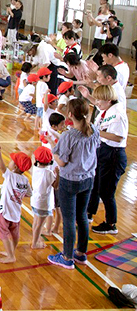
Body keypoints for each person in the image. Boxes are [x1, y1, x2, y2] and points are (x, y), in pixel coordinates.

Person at [48, 98, 99, 270]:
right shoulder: (94, 131)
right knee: (82, 216)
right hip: (88, 179)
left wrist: (53, 152)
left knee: (69, 219)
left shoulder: (69, 136)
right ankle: (81, 253)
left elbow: (62, 162)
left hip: (70, 180)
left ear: (70, 115)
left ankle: (67, 256)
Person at [87, 84, 127, 235]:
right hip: (103, 151)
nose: (96, 102)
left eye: (99, 100)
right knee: (96, 184)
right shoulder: (105, 111)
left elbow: (118, 137)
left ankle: (111, 223)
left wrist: (97, 132)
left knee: (107, 191)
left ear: (108, 99)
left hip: (113, 154)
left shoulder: (117, 114)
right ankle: (89, 212)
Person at [0, 147, 32, 263]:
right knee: (15, 234)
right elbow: (29, 193)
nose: (9, 162)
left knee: (3, 232)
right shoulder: (25, 180)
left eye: (11, 161)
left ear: (15, 167)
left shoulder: (10, 176)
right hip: (16, 213)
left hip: (5, 211)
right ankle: (11, 251)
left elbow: (1, 167)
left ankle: (10, 256)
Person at [31, 146, 58, 249]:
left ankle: (36, 239)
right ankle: (35, 243)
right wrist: (58, 175)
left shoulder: (36, 169)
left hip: (35, 201)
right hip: (44, 203)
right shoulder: (49, 173)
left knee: (36, 222)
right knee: (40, 224)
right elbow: (55, 186)